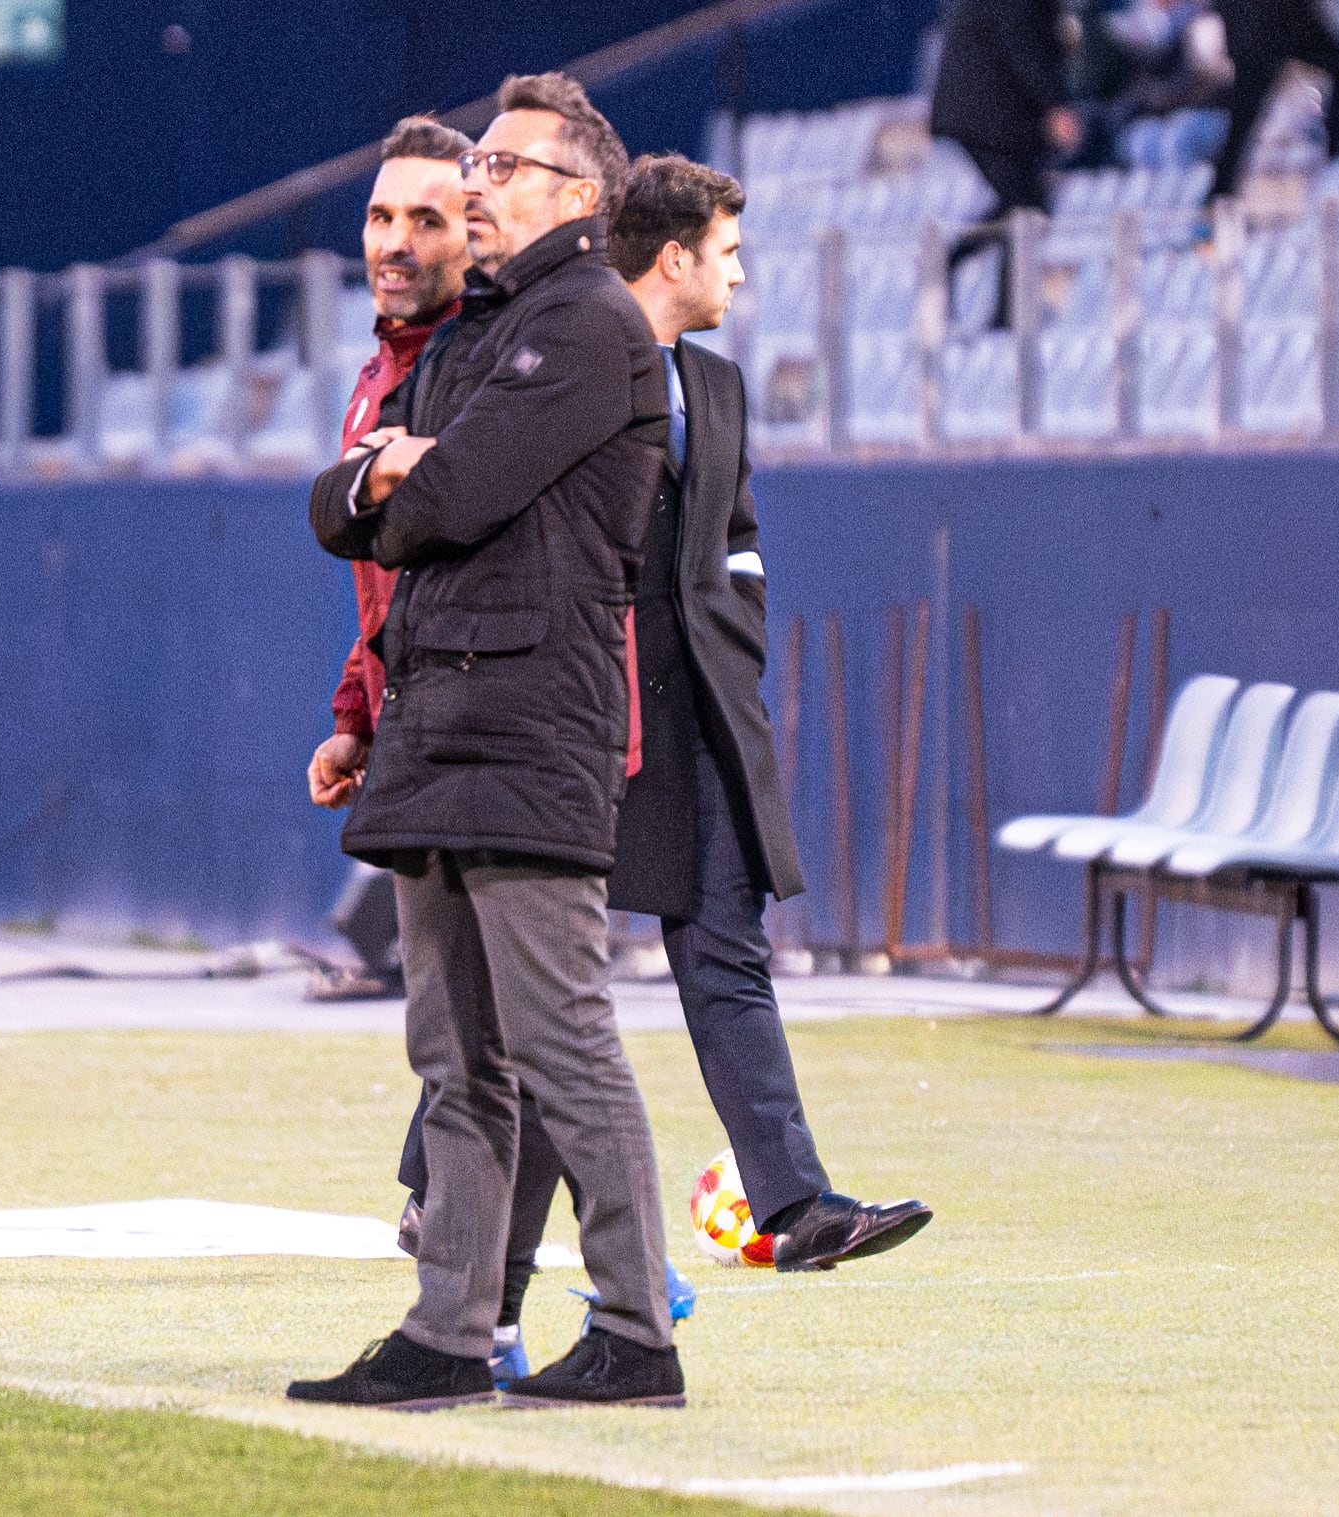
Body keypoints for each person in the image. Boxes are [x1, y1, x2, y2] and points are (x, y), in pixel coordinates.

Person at [293, 72, 680, 1411]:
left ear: (581, 197)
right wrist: (388, 481)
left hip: (531, 730)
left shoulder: (587, 325)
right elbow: (345, 506)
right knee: (453, 1061)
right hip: (437, 726)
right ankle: (448, 1329)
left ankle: (636, 1330)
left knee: (561, 1043)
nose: (477, 185)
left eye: (504, 168)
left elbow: (443, 496)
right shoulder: (479, 335)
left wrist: (406, 479)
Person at [604, 153, 933, 1270]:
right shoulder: (570, 367)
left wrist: (731, 638)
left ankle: (794, 1208)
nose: (739, 277)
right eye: (728, 253)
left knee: (725, 947)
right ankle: (434, 1186)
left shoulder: (720, 388)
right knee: (519, 961)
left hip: (698, 717)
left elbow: (736, 539)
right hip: (580, 714)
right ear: (674, 255)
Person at [306, 115, 478, 1004]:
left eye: (426, 220)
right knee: (459, 1043)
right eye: (381, 219)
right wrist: (356, 713)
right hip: (412, 738)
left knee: (519, 1038)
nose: (396, 244)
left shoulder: (485, 369)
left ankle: (632, 1157)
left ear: (472, 234)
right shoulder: (377, 374)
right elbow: (383, 587)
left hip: (485, 743)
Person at [930, 0, 1081, 326]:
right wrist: (1055, 105)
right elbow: (1023, 43)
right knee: (1027, 206)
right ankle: (1005, 310)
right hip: (987, 113)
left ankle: (998, 303)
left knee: (1023, 205)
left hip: (988, 111)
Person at [1211, 0, 1339, 203]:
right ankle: (1336, 157)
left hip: (1267, 21)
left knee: (1243, 117)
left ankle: (1220, 193)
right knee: (1243, 116)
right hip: (1267, 20)